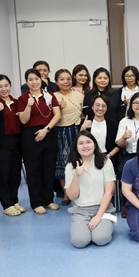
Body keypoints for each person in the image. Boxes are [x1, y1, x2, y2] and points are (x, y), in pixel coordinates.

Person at [17, 68, 62, 214]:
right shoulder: (22, 99)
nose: (34, 82)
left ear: (41, 79)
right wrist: (29, 105)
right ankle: (36, 202)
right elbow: (23, 120)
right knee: (33, 169)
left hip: (48, 132)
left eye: (36, 79)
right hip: (31, 135)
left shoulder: (49, 96)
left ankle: (48, 199)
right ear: (26, 82)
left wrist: (46, 129)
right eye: (30, 80)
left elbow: (57, 115)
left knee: (49, 167)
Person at [65, 130, 116, 248]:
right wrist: (76, 176)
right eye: (81, 143)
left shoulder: (105, 162)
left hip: (103, 208)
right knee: (79, 242)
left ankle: (106, 223)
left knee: (101, 239)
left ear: (94, 144)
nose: (85, 146)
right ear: (76, 147)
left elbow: (109, 192)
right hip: (81, 210)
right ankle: (84, 225)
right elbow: (72, 196)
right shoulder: (70, 167)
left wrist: (98, 216)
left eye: (88, 142)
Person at [0, 75, 25, 216]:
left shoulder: (16, 102)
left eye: (6, 85)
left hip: (17, 143)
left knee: (15, 174)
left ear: (10, 85)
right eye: (0, 86)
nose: (4, 89)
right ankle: (6, 204)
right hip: (0, 145)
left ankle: (14, 201)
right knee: (3, 175)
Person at [54, 69, 84, 205]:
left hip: (78, 130)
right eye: (62, 79)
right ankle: (66, 194)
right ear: (56, 82)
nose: (66, 82)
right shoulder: (53, 96)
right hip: (61, 131)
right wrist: (59, 108)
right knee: (63, 163)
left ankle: (81, 191)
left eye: (68, 79)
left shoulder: (79, 96)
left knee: (79, 161)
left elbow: (83, 114)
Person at [80, 94, 120, 167]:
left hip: (107, 157)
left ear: (107, 108)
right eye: (97, 105)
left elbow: (118, 145)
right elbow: (78, 142)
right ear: (92, 107)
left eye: (103, 106)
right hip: (88, 157)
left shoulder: (112, 123)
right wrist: (83, 128)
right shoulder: (85, 122)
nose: (100, 108)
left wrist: (108, 156)